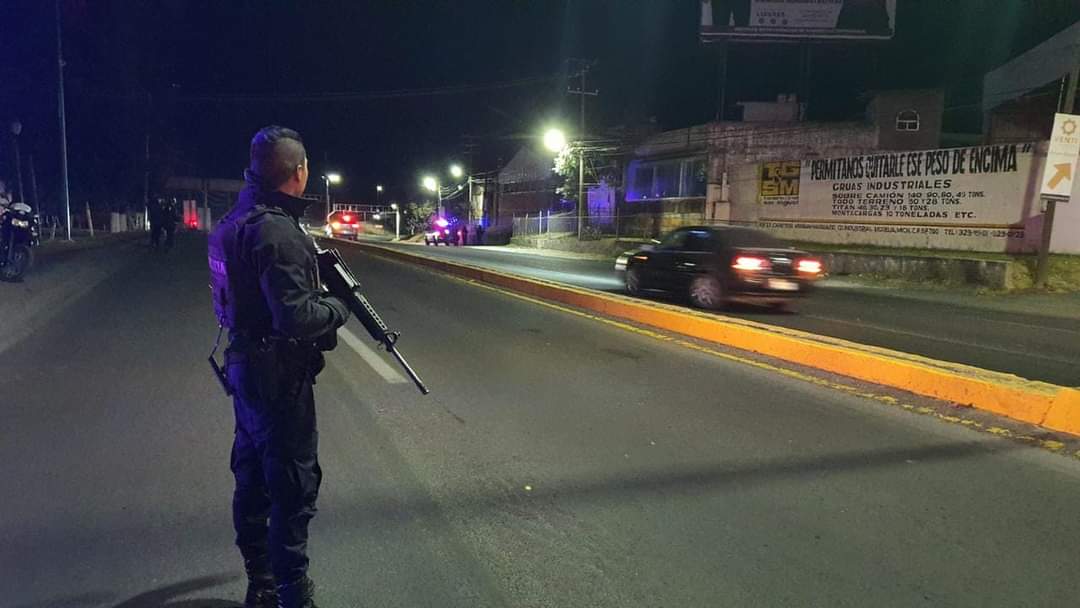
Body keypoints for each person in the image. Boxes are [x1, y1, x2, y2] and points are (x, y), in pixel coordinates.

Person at [208, 126, 350, 608]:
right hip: (278, 377)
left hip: (244, 366)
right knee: (292, 486)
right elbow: (297, 317)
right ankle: (292, 595)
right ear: (299, 171)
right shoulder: (276, 229)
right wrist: (338, 308)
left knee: (251, 479)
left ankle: (262, 584)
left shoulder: (235, 221)